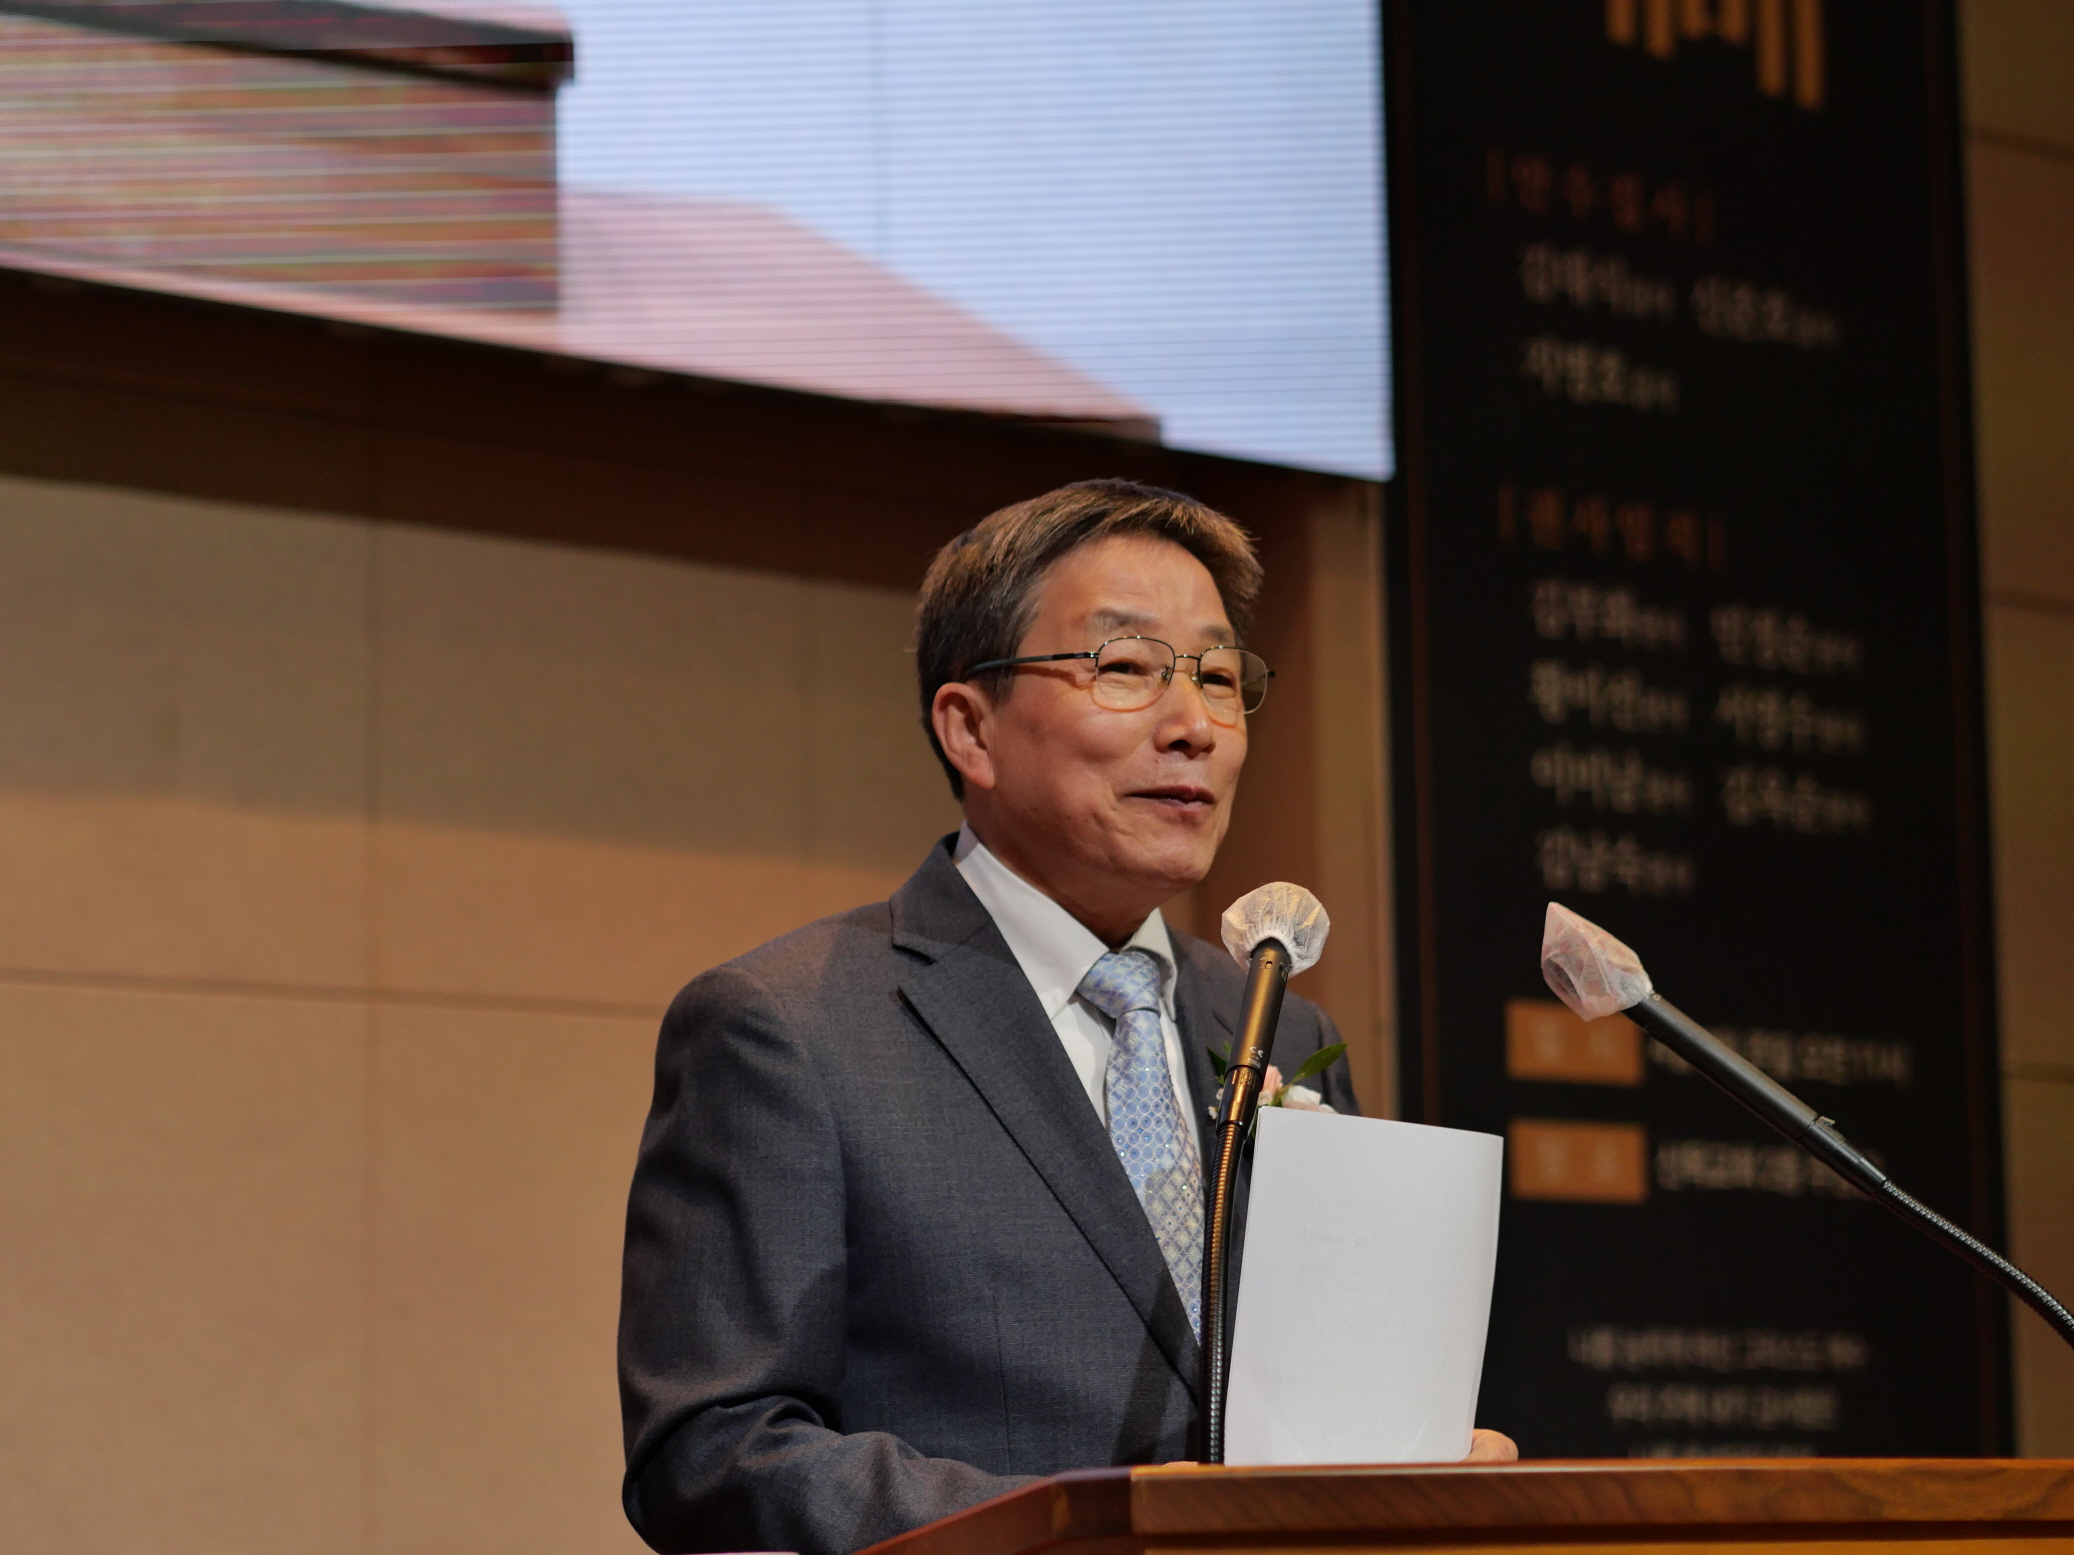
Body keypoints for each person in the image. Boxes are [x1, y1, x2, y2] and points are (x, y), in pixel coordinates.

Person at [617, 479, 1514, 1555]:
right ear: (971, 728)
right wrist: (1093, 1529)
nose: (1194, 727)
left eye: (1218, 676)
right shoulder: (789, 1029)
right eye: (1125, 667)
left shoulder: (1274, 1022)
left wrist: (1412, 1467)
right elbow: (713, 1454)